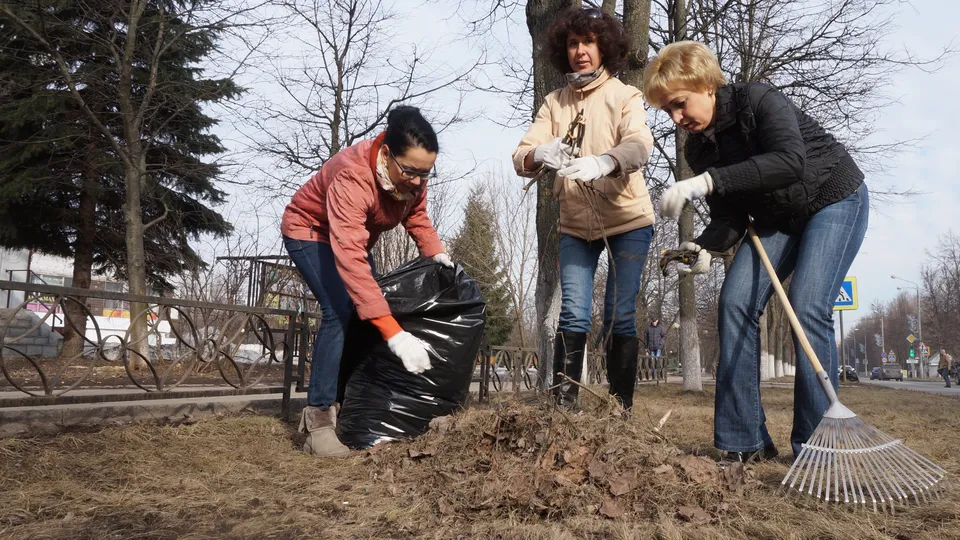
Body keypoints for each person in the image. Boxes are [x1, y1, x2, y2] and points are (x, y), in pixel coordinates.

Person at [642, 42, 869, 463]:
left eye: (679, 104)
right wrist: (703, 247)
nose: (676, 119)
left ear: (705, 85)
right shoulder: (698, 148)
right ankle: (743, 441)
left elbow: (789, 162)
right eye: (668, 112)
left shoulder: (759, 100)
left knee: (808, 305)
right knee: (733, 303)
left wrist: (707, 181)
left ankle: (815, 445)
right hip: (777, 218)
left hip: (833, 198)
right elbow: (729, 216)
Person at [281, 106, 453, 457]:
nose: (419, 182)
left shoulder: (410, 176)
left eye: (426, 173)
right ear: (387, 154)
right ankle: (318, 423)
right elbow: (351, 261)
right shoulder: (353, 176)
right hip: (312, 232)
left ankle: (349, 404)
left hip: (352, 240)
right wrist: (395, 334)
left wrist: (435, 252)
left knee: (365, 313)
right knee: (340, 310)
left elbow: (416, 215)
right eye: (411, 171)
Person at [512, 7, 655, 411]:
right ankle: (565, 407)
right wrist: (542, 151)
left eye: (588, 42)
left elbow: (639, 145)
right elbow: (521, 156)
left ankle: (619, 408)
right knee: (573, 313)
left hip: (628, 221)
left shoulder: (625, 95)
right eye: (573, 43)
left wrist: (604, 162)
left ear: (603, 47)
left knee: (619, 314)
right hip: (575, 223)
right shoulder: (554, 103)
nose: (580, 51)